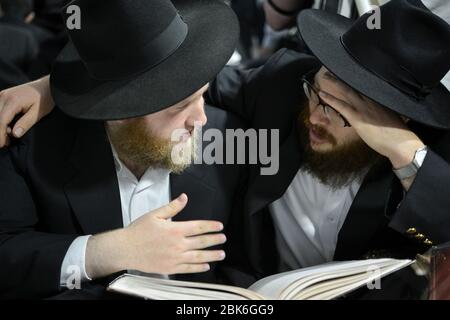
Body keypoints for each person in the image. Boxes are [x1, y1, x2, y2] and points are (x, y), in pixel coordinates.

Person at [2, 0, 450, 287]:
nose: (315, 115)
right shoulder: (279, 86)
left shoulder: (426, 156)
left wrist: (405, 155)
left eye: (345, 114)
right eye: (319, 92)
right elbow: (173, 78)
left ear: (396, 123)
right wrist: (57, 89)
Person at [0, 0, 243, 299]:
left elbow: (242, 265)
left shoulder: (231, 138)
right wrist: (105, 252)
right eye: (180, 106)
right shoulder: (30, 144)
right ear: (120, 112)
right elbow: (6, 257)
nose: (200, 119)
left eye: (202, 95)